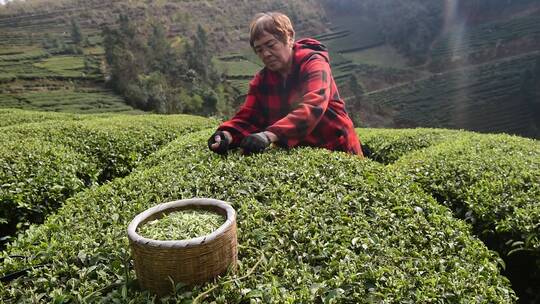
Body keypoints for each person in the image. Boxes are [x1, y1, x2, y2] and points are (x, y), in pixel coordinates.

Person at [208, 12, 364, 157]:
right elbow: (249, 116)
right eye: (259, 50)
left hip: (337, 148)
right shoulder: (261, 81)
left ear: (289, 37)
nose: (266, 54)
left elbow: (314, 105)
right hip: (301, 154)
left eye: (270, 45)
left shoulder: (314, 63)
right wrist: (226, 134)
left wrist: (269, 135)